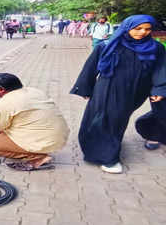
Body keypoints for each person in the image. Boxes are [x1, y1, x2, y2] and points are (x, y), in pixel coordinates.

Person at [70, 15, 166, 174]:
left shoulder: (156, 48)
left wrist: (159, 89)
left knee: (120, 118)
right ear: (127, 27)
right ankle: (107, 157)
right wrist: (85, 88)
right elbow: (91, 67)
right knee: (109, 118)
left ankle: (150, 131)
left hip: (137, 90)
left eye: (148, 29)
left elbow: (160, 69)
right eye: (138, 28)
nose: (143, 32)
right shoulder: (108, 45)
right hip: (109, 88)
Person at [0, 73, 70, 170]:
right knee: (4, 128)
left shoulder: (4, 104)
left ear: (1, 89)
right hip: (57, 137)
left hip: (41, 142)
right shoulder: (34, 91)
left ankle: (36, 156)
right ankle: (32, 149)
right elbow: (20, 107)